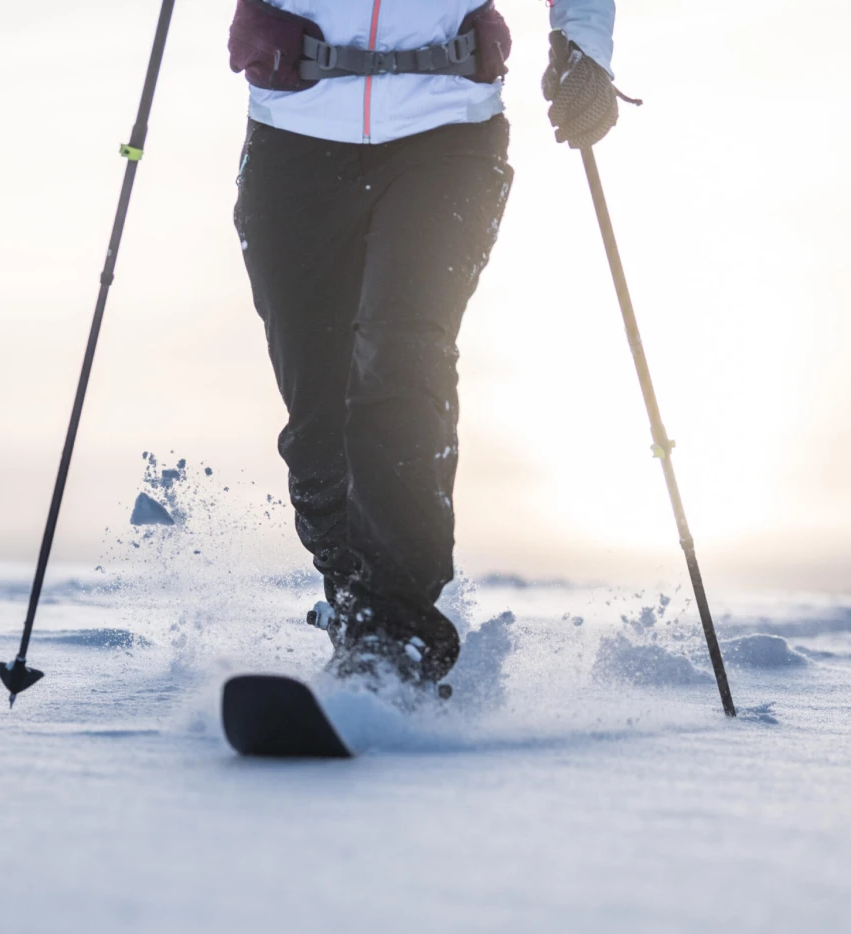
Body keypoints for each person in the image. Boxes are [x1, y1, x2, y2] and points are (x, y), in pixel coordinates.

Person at [229, 0, 621, 691]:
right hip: (293, 137)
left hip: (448, 132)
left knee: (402, 356)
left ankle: (397, 643)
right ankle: (358, 610)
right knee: (319, 419)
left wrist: (583, 47)